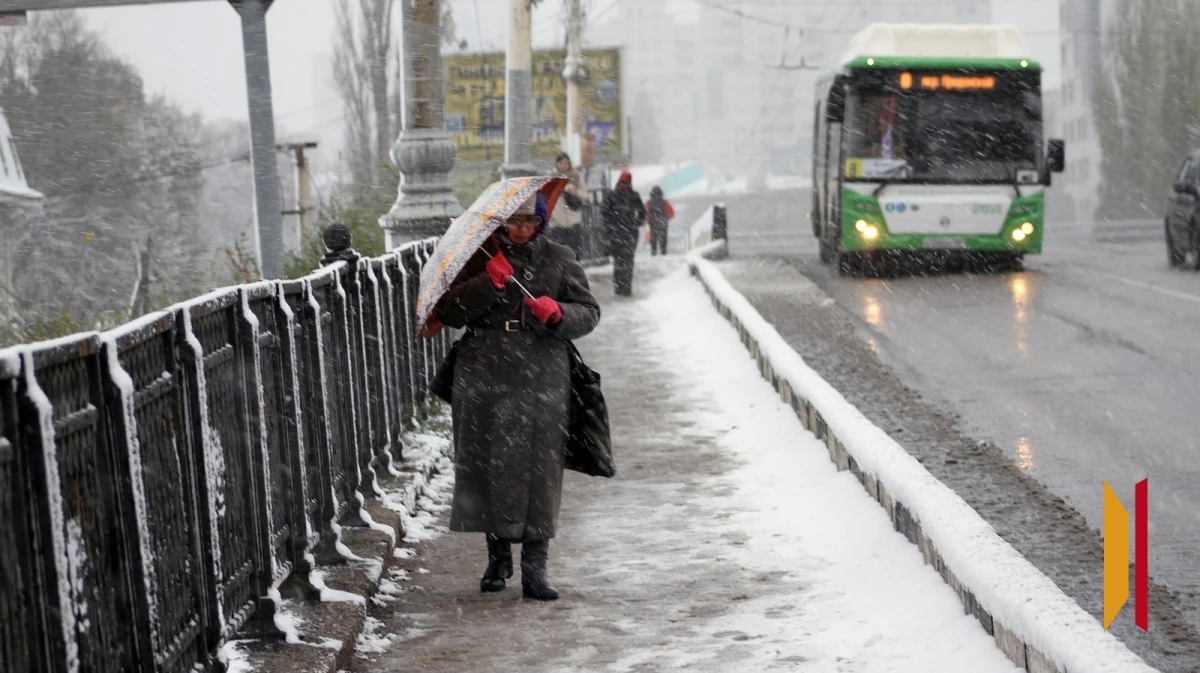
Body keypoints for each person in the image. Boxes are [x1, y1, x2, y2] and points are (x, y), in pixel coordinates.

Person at [432, 190, 601, 601]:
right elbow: (449, 312)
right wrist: (486, 283)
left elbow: (589, 312)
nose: (522, 229)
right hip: (485, 372)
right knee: (490, 464)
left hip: (542, 372)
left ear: (542, 222)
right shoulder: (477, 257)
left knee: (539, 469)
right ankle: (497, 558)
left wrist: (559, 314)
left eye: (531, 221)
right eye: (515, 221)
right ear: (501, 223)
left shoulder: (559, 257)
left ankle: (535, 568)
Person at [601, 171, 644, 296]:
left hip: (616, 233)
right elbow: (642, 213)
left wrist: (610, 225)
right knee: (628, 261)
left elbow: (604, 212)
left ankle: (618, 287)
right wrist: (636, 222)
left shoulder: (612, 195)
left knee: (618, 262)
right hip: (630, 233)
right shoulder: (634, 195)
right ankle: (626, 288)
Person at [547, 152, 586, 259]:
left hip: (573, 222)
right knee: (559, 258)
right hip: (557, 224)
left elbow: (585, 195)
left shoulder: (576, 176)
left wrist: (575, 191)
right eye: (561, 163)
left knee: (575, 256)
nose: (564, 166)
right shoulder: (552, 178)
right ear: (557, 164)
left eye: (566, 163)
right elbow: (547, 198)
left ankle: (573, 275)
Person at [644, 186, 675, 256]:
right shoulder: (665, 203)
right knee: (663, 239)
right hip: (662, 223)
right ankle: (663, 253)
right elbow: (671, 213)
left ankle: (653, 253)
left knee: (653, 239)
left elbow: (644, 213)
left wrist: (647, 220)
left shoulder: (648, 203)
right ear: (661, 193)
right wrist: (666, 218)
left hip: (652, 224)